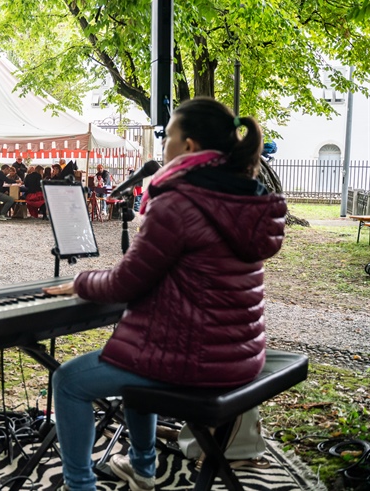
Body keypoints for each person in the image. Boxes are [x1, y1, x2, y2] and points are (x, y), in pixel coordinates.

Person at [44, 97, 287, 491]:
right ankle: (142, 468)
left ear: (189, 146)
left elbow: (126, 283)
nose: (163, 148)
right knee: (136, 356)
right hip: (239, 353)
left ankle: (79, 485)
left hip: (197, 360)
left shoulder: (178, 200)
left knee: (70, 381)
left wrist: (80, 282)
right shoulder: (246, 196)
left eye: (168, 137)